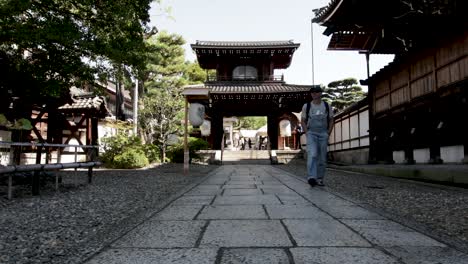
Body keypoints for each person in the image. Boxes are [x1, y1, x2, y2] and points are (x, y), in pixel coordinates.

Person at [301, 86, 334, 187]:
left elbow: (331, 119)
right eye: (312, 92)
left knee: (322, 157)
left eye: (316, 92)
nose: (313, 94)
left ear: (320, 93)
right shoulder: (307, 106)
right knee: (313, 154)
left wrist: (328, 132)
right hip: (311, 133)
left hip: (323, 133)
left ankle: (320, 178)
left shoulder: (326, 105)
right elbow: (303, 120)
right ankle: (311, 177)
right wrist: (306, 132)